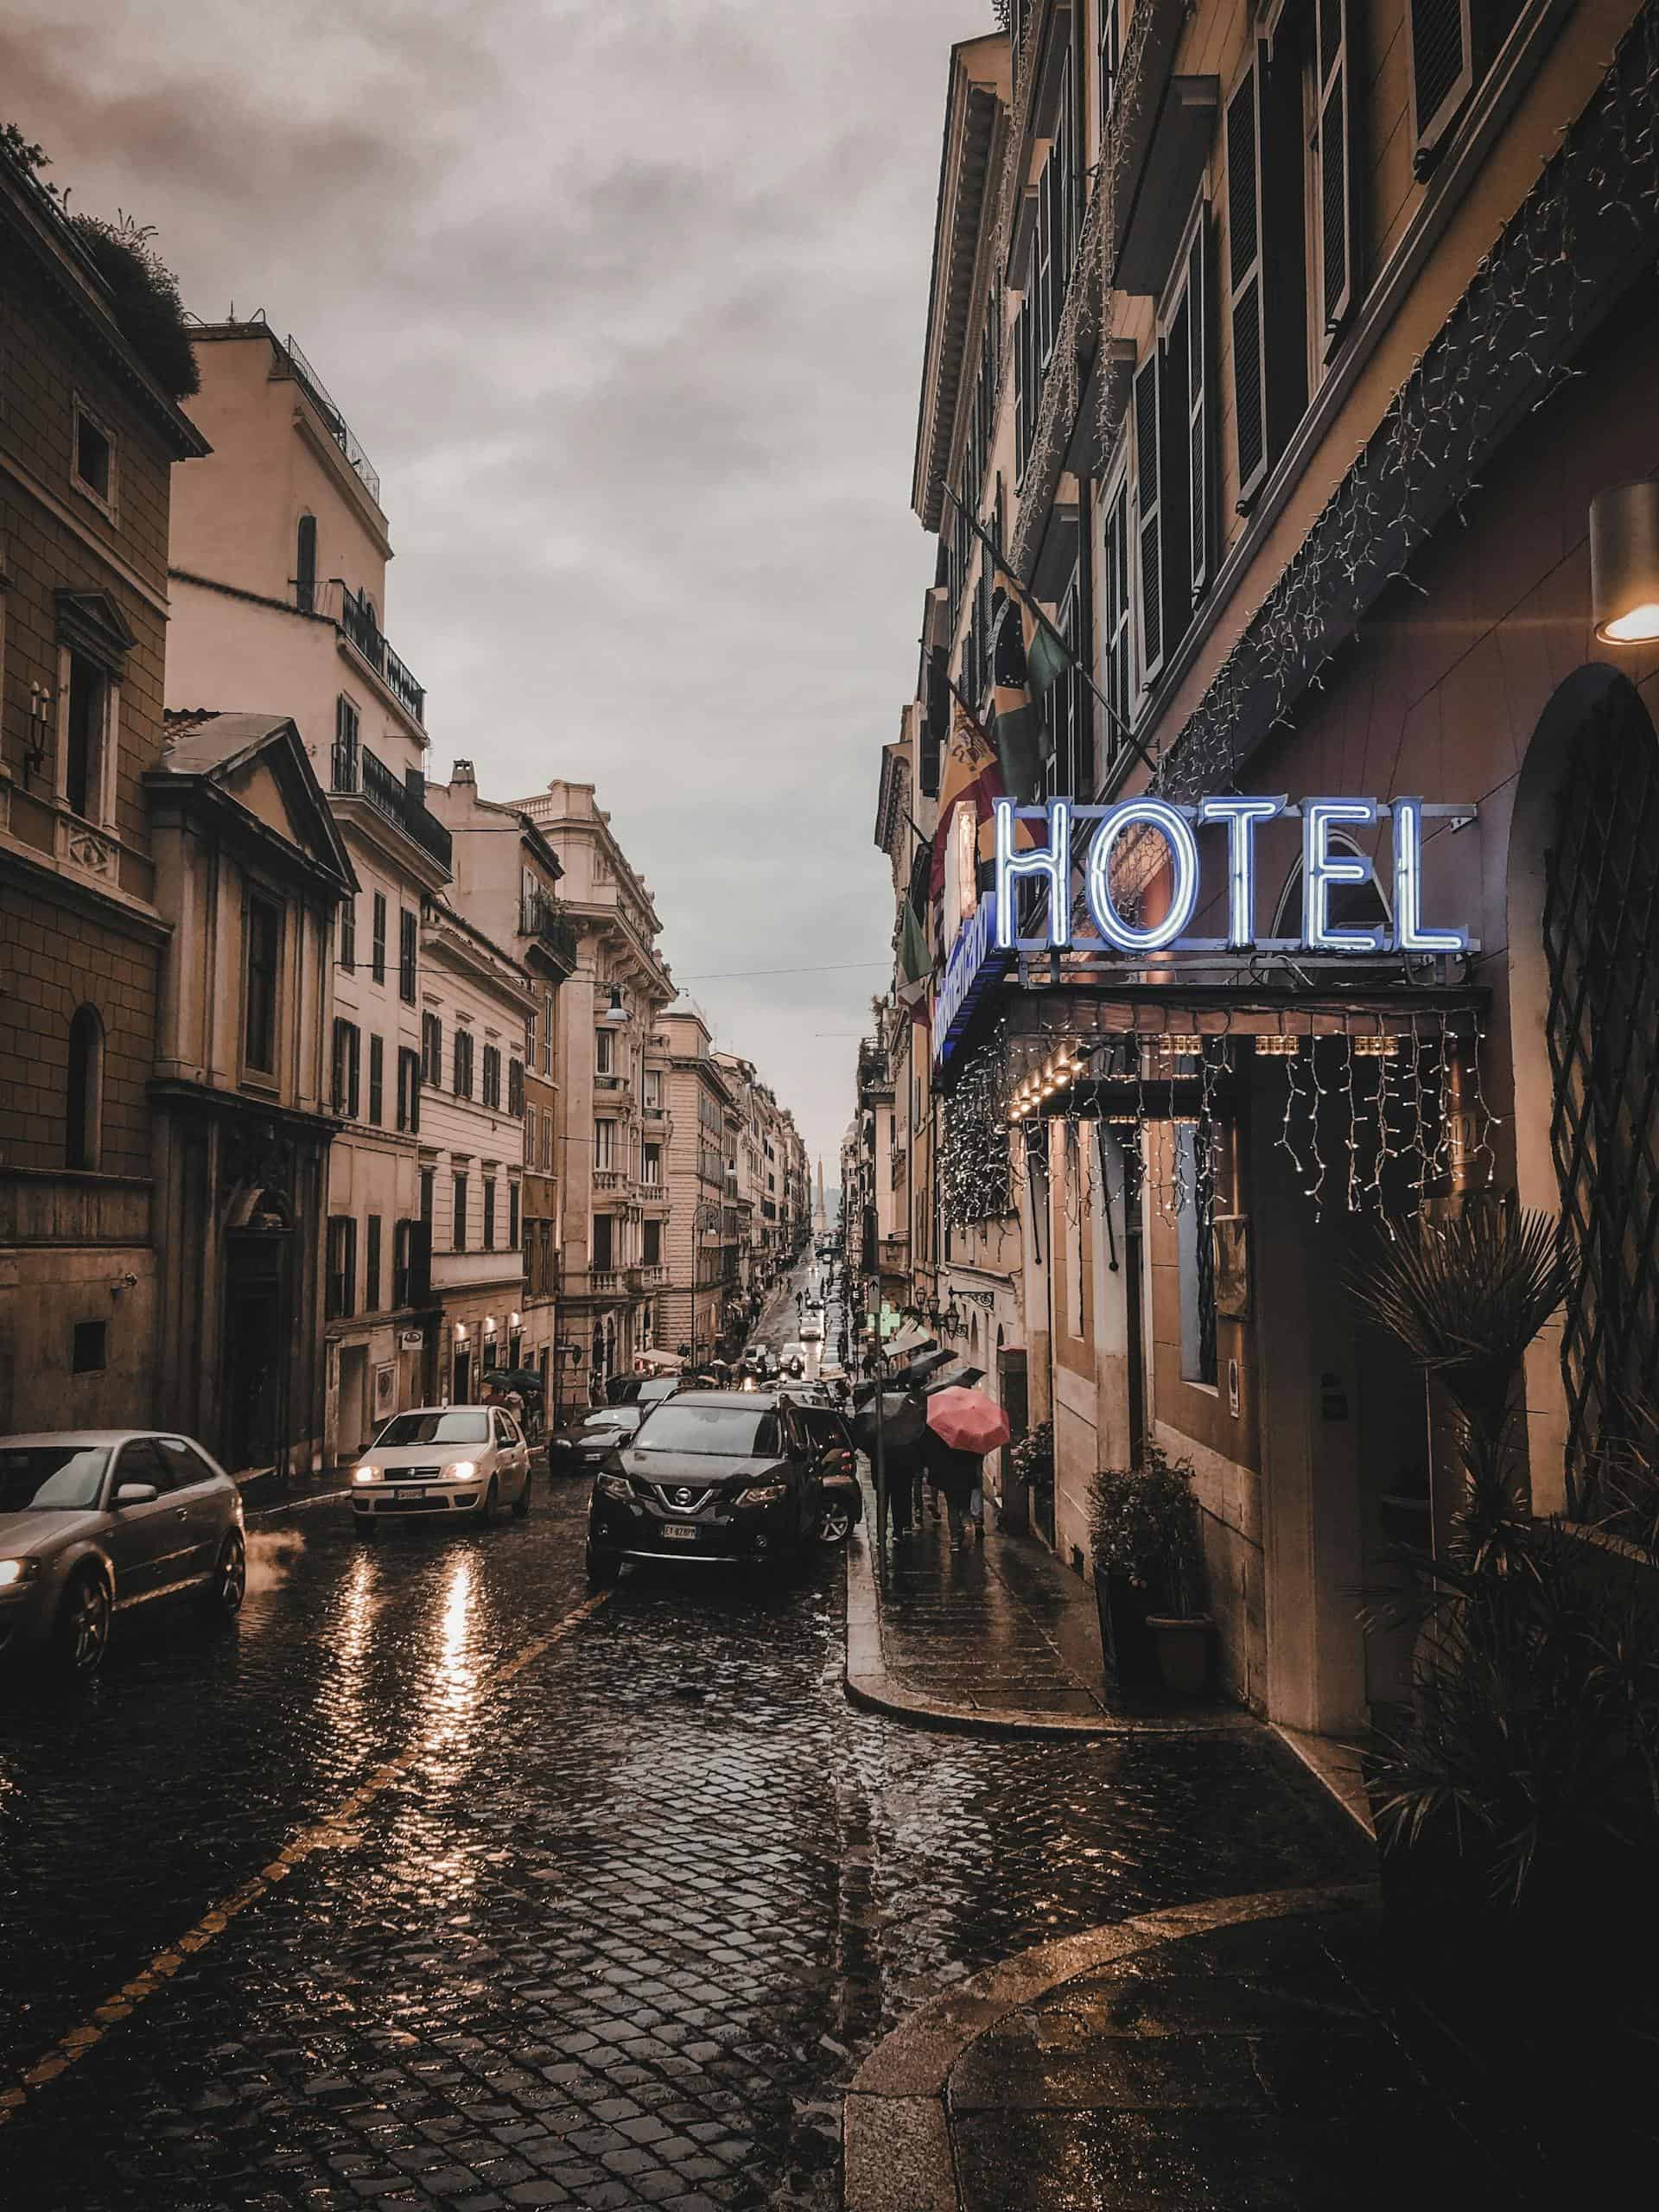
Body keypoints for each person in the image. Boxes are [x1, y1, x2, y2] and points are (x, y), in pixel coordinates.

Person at [922, 1427, 986, 1551]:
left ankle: (955, 1539)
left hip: (948, 1475)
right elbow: (977, 1454)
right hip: (966, 1474)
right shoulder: (970, 1431)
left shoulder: (942, 1431)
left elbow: (933, 1453)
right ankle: (965, 1525)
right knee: (964, 1505)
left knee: (952, 1506)